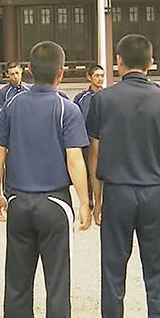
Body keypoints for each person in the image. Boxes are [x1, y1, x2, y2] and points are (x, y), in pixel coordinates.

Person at [0, 41, 92, 318]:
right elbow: (74, 159)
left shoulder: (13, 105)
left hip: (19, 200)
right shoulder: (67, 109)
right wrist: (85, 202)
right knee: (56, 279)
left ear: (29, 71)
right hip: (54, 202)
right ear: (62, 72)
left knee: (17, 278)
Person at [86, 34, 160, 318]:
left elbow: (94, 152)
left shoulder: (103, 100)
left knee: (113, 272)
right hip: (155, 189)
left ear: (119, 62)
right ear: (151, 63)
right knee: (158, 273)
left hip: (118, 190)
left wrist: (97, 198)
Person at [73, 64, 106, 210]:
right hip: (85, 140)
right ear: (89, 77)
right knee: (86, 171)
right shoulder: (81, 98)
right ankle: (88, 201)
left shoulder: (107, 96)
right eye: (97, 76)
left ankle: (102, 200)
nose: (100, 79)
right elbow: (76, 119)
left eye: (102, 76)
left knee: (102, 172)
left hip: (103, 140)